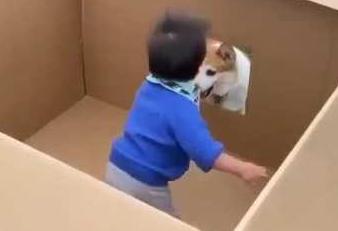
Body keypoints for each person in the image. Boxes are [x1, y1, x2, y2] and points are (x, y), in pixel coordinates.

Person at [105, 12, 268, 217]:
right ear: (197, 68)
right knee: (167, 221)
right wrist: (243, 168)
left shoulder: (149, 84)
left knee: (121, 213)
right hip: (145, 182)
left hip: (115, 165)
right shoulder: (183, 111)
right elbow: (207, 153)